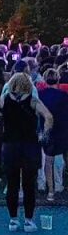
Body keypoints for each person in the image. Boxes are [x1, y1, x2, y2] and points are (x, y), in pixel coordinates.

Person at [0, 73, 53, 232]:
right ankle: (29, 220)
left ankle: (13, 220)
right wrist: (44, 134)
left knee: (12, 183)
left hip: (10, 145)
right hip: (30, 145)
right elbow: (49, 116)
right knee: (29, 184)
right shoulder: (32, 100)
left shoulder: (4, 99)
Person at [38, 70, 68, 202]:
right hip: (63, 130)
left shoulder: (40, 95)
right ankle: (60, 185)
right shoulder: (64, 96)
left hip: (48, 130)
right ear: (57, 79)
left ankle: (50, 191)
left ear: (44, 80)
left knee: (48, 161)